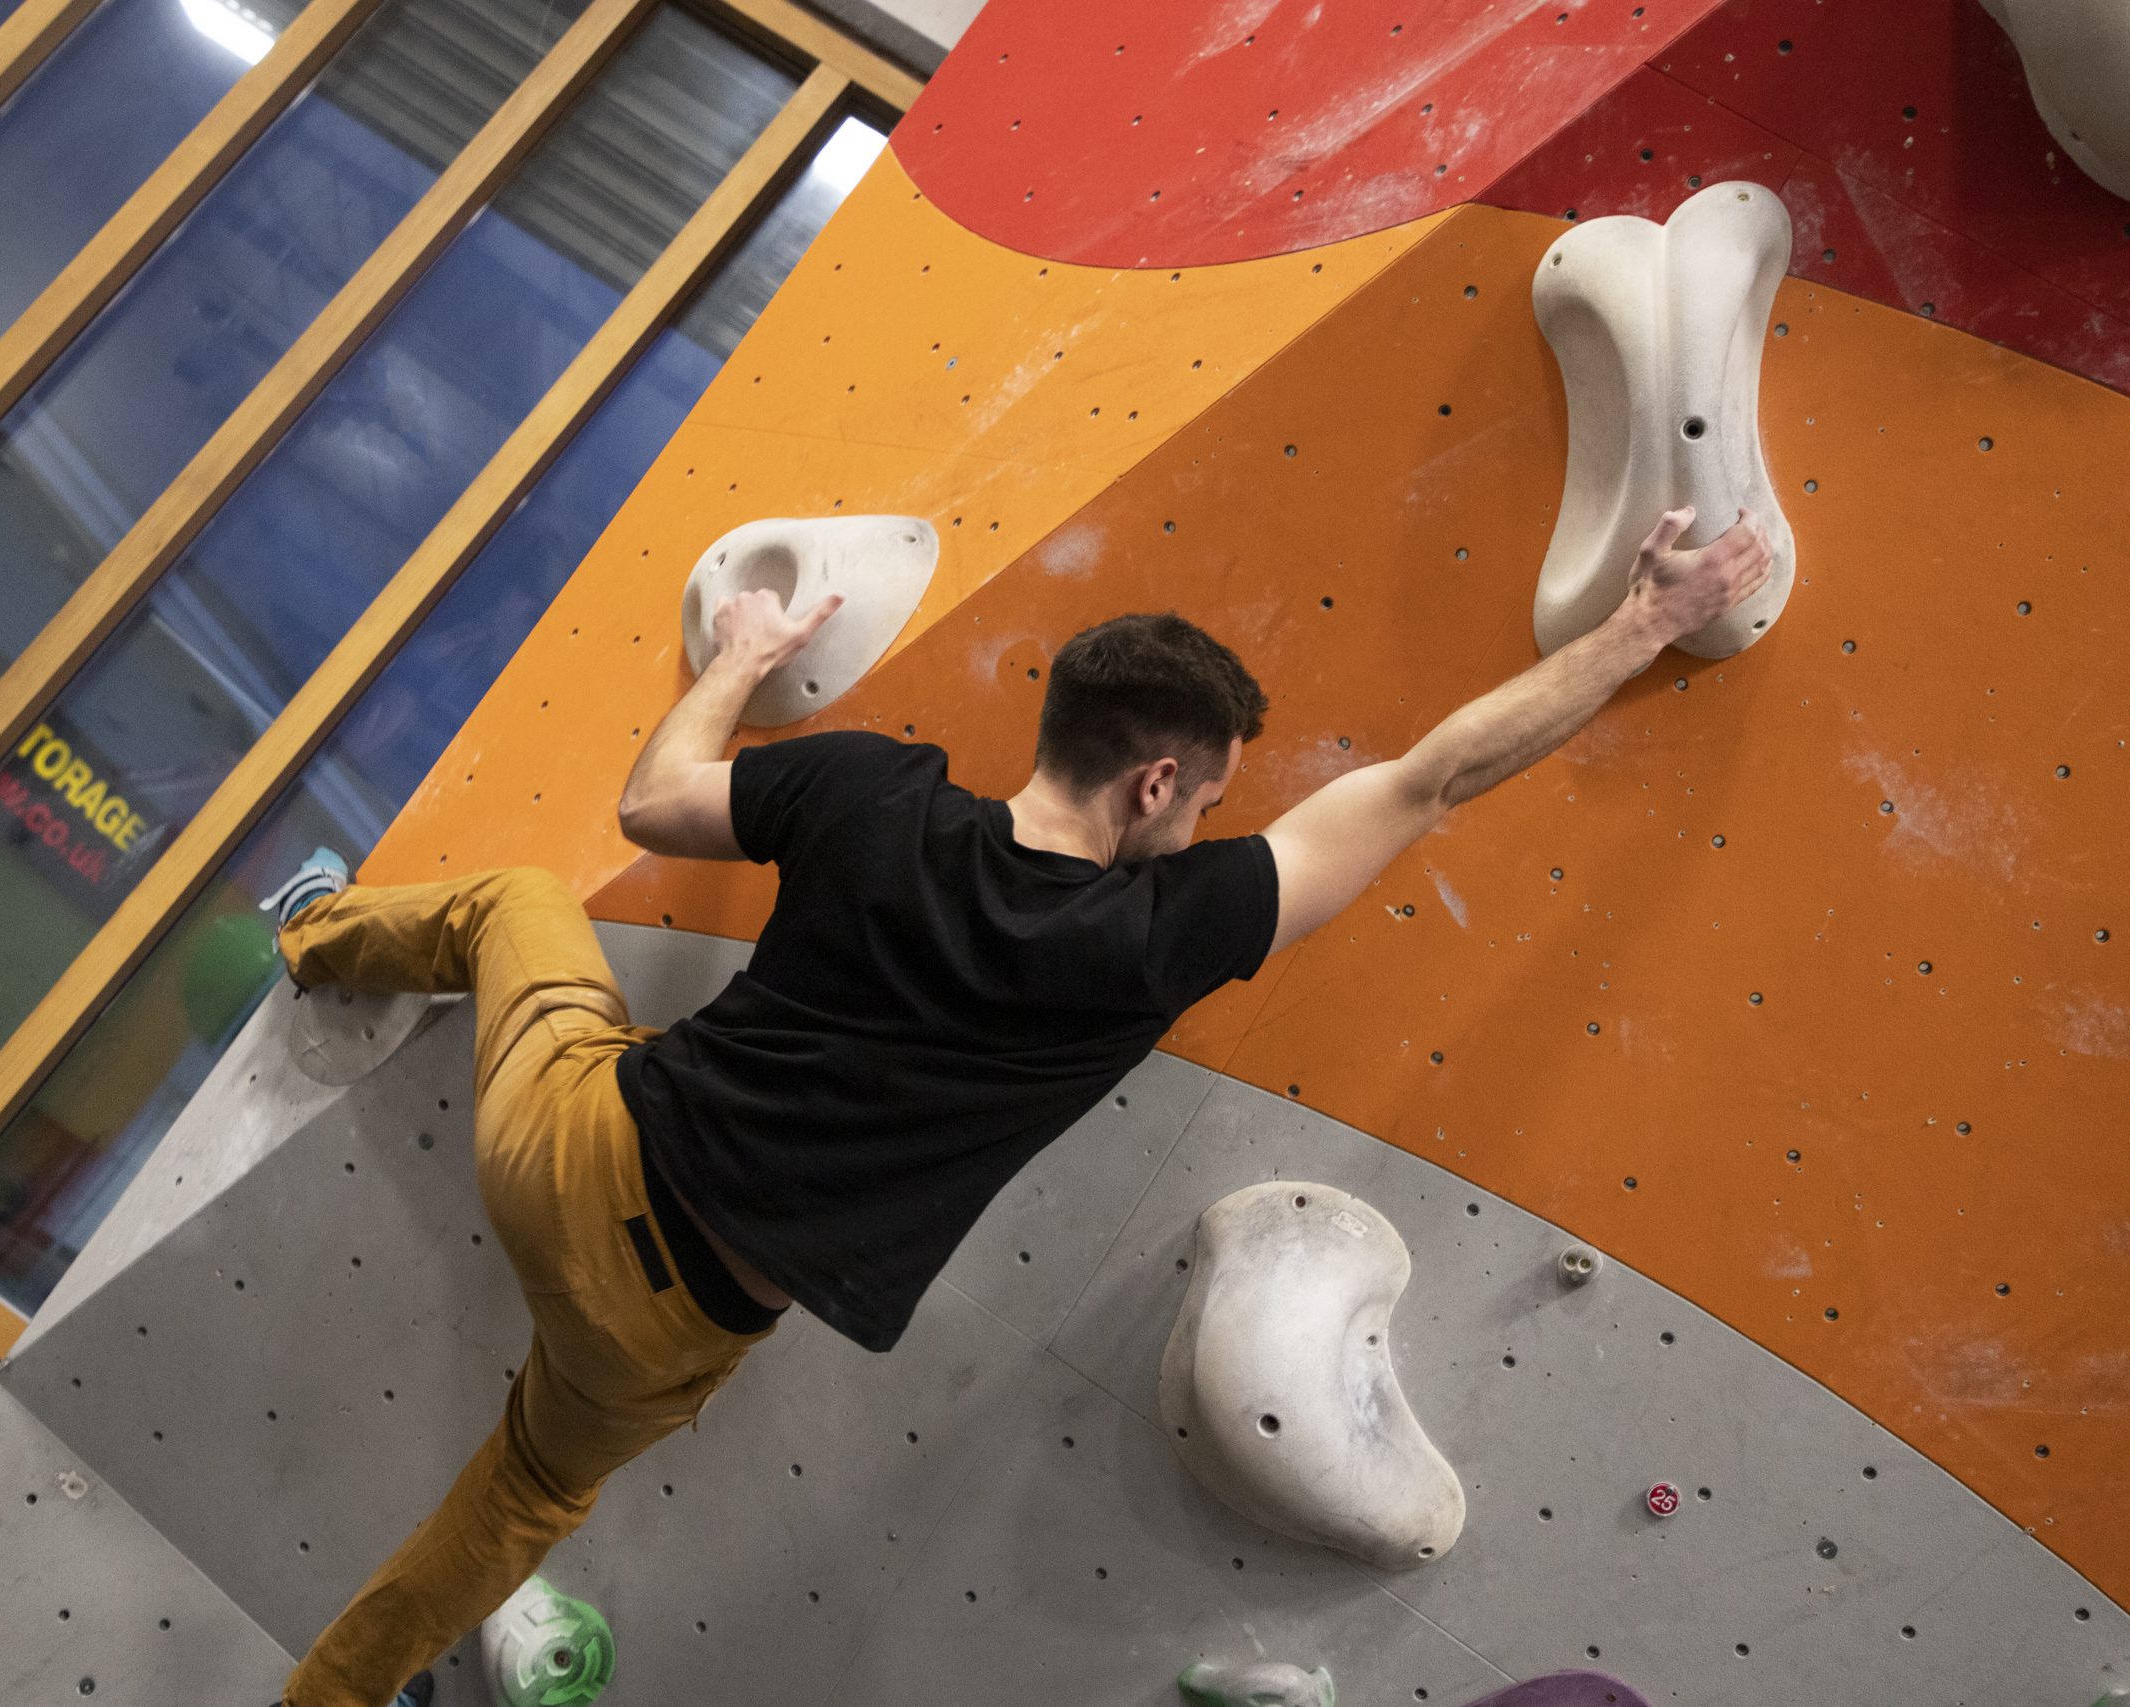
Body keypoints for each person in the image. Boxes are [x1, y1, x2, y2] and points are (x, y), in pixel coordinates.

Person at [270, 507, 1770, 1706]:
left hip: (569, 1144)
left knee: (517, 903)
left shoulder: (871, 791)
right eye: (1209, 801)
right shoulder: (1157, 939)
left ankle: (314, 937)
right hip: (662, 1327)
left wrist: (745, 654)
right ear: (1156, 783)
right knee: (519, 1500)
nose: (1210, 825)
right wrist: (1643, 624)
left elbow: (655, 802)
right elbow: (1434, 779)